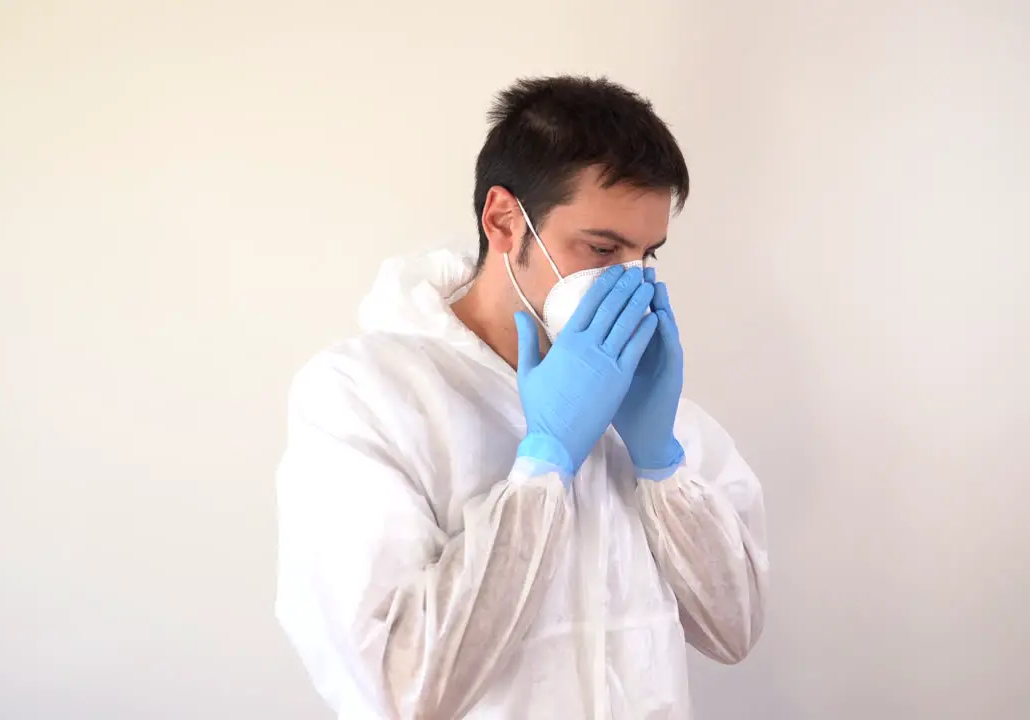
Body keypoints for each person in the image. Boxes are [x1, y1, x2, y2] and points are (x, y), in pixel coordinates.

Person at [275, 75, 768, 720]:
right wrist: (544, 465)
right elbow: (396, 690)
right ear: (505, 220)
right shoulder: (366, 396)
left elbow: (734, 631)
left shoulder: (651, 405)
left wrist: (660, 464)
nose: (628, 281)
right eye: (601, 248)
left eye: (647, 255)